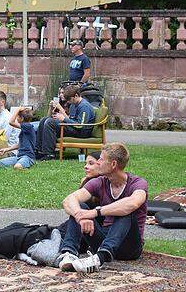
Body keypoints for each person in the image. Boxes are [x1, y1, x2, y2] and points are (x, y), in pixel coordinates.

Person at [57, 143, 148, 273]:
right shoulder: (100, 182)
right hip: (102, 240)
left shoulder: (138, 183)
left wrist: (94, 212)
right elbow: (69, 200)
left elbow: (132, 203)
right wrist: (80, 215)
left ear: (113, 164)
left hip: (129, 247)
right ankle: (68, 254)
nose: (98, 162)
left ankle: (99, 259)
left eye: (101, 159)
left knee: (126, 211)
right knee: (79, 206)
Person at [36, 85, 96, 160]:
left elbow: (81, 125)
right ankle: (39, 151)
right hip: (74, 128)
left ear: (76, 95)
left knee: (50, 122)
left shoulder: (84, 107)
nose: (67, 101)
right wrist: (62, 117)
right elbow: (72, 119)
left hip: (82, 132)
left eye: (69, 99)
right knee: (44, 120)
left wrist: (64, 119)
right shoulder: (74, 105)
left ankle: (49, 154)